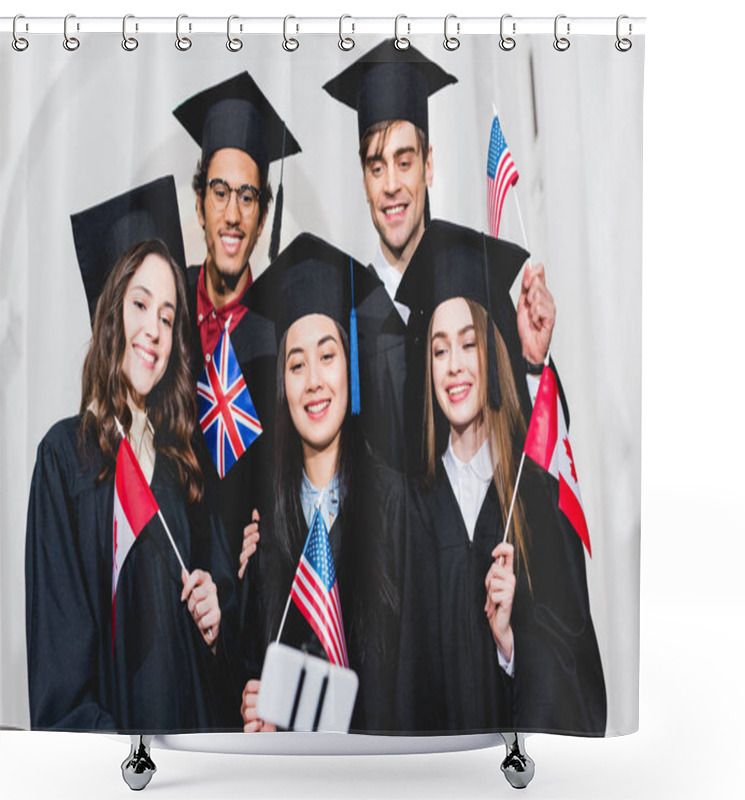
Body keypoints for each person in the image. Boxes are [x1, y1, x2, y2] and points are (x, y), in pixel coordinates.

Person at [25, 177, 238, 732]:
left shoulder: (185, 465)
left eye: (169, 316)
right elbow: (61, 680)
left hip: (196, 763)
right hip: (119, 773)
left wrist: (217, 618)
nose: (154, 330)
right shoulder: (63, 460)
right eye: (140, 304)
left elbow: (219, 651)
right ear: (109, 311)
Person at [395, 220, 607, 734]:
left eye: (469, 344)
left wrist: (509, 644)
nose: (454, 367)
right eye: (440, 349)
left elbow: (572, 653)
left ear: (493, 352)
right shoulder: (409, 505)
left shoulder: (532, 494)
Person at [237, 233, 404, 734]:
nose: (312, 380)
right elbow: (250, 673)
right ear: (282, 386)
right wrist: (255, 705)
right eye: (295, 363)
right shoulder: (264, 535)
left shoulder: (397, 509)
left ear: (351, 367)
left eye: (327, 356)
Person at [173, 71, 302, 562]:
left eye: (247, 197)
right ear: (201, 205)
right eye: (220, 192)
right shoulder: (165, 309)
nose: (232, 214)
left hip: (247, 596)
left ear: (263, 217)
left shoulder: (282, 331)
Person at [323, 40, 458, 471]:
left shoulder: (471, 294)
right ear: (363, 179)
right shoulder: (347, 314)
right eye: (376, 167)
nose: (391, 186)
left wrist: (532, 363)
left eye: (404, 162)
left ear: (429, 166)